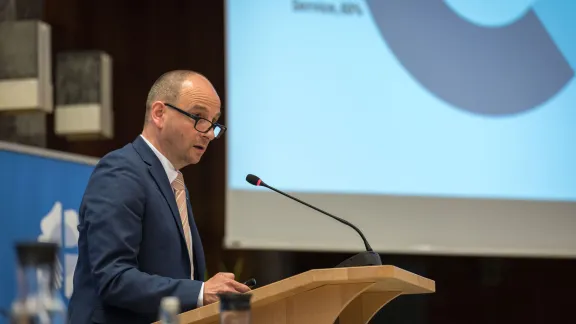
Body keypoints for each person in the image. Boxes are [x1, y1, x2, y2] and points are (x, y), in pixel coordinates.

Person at [67, 70, 250, 324]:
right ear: (159, 114)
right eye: (198, 117)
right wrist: (200, 292)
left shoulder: (174, 183)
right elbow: (113, 277)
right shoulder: (121, 171)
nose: (209, 132)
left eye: (214, 122)